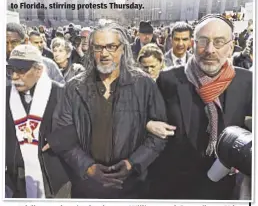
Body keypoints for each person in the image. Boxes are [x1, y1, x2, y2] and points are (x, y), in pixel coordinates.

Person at [46, 22, 167, 199]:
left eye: (111, 47)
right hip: (87, 187)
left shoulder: (144, 85)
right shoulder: (74, 88)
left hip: (133, 187)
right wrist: (88, 168)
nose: (104, 54)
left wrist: (133, 164)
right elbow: (62, 136)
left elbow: (159, 136)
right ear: (91, 50)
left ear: (123, 49)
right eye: (98, 47)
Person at [147, 14, 252, 199]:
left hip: (224, 187)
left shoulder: (247, 82)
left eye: (219, 42)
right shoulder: (169, 79)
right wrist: (148, 124)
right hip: (175, 184)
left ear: (231, 46)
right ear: (193, 44)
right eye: (203, 41)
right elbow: (148, 117)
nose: (210, 50)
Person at [5, 45, 70, 198]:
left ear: (39, 70)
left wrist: (60, 140)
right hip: (16, 178)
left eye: (21, 71)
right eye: (11, 70)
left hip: (54, 178)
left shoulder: (61, 93)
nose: (14, 76)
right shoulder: (4, 96)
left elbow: (80, 129)